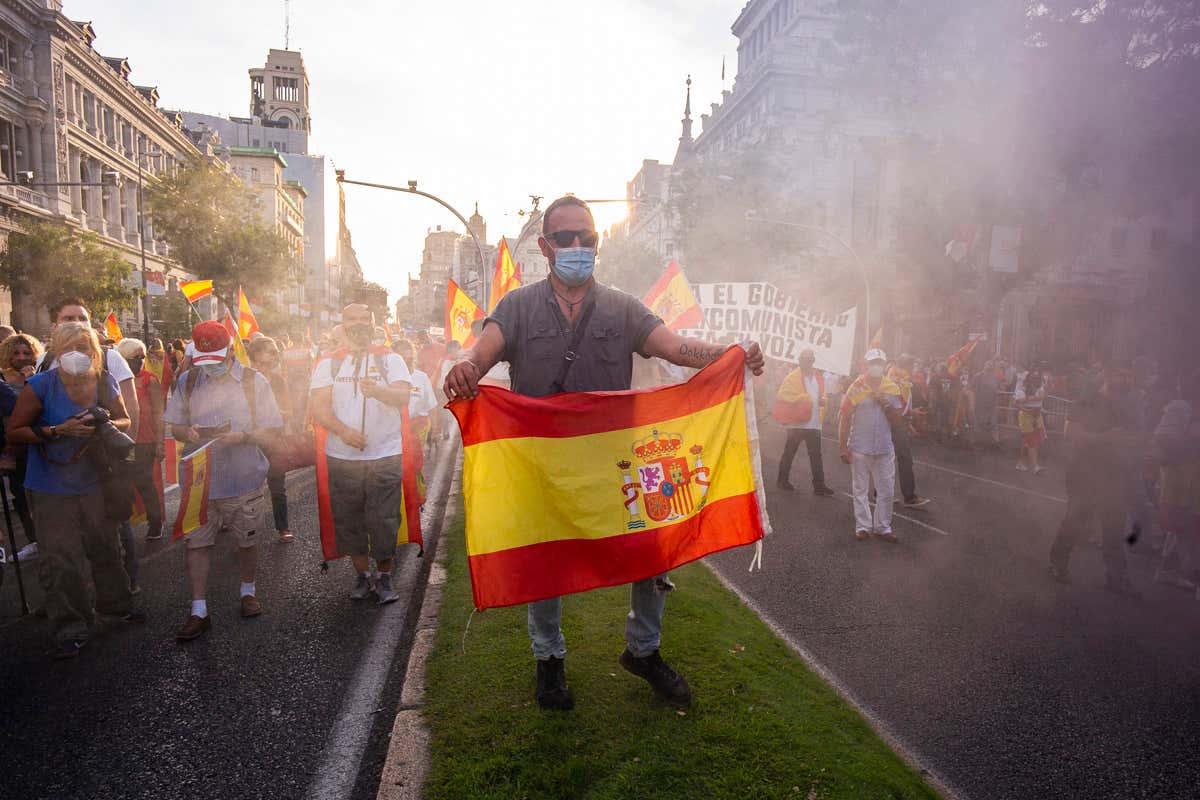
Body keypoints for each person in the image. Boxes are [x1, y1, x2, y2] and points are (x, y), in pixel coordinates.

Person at [443, 195, 765, 711]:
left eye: (587, 239)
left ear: (597, 244)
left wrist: (730, 355)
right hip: (543, 464)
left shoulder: (622, 306)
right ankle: (549, 661)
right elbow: (482, 352)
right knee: (545, 562)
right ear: (546, 247)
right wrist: (464, 366)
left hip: (617, 459)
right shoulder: (518, 306)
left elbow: (677, 348)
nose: (578, 247)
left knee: (651, 553)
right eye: (566, 239)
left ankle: (644, 650)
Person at [6, 323, 144, 658]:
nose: (77, 353)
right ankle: (71, 627)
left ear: (94, 351)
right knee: (61, 559)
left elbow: (124, 420)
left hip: (96, 482)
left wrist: (103, 422)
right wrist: (57, 430)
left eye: (84, 346)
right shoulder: (40, 385)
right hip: (50, 487)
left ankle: (115, 605)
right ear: (56, 350)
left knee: (106, 547)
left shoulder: (102, 380)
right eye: (69, 345)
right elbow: (15, 431)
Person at [164, 321, 283, 641]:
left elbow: (272, 429)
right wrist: (184, 432)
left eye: (216, 359)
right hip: (200, 482)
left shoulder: (253, 382)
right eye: (205, 360)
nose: (211, 367)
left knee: (246, 540)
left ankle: (248, 591)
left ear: (231, 350)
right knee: (197, 544)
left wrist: (242, 436)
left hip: (243, 478)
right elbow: (173, 425)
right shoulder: (187, 380)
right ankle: (198, 610)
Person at [310, 304, 413, 606]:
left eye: (362, 320)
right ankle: (362, 576)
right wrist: (344, 432)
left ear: (372, 323)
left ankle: (384, 576)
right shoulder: (327, 364)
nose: (357, 325)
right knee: (349, 520)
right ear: (341, 326)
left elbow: (403, 396)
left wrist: (378, 391)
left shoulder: (390, 360)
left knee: (383, 519)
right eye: (350, 320)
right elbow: (319, 407)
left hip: (385, 455)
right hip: (342, 457)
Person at [1048, 363, 1143, 596]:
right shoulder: (1086, 401)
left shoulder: (1129, 407)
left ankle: (1116, 577)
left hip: (1115, 473)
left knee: (1114, 526)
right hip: (1084, 471)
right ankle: (1057, 563)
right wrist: (1105, 438)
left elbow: (1135, 438)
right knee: (1076, 519)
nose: (1126, 381)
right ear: (1108, 377)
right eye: (1121, 374)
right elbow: (1072, 433)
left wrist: (1134, 447)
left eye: (1129, 376)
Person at [38, 299, 139, 443]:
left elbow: (131, 411)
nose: (77, 323)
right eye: (69, 319)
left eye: (82, 318)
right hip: (52, 457)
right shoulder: (44, 360)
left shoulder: (111, 358)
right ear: (55, 326)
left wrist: (126, 451)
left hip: (100, 456)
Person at [838, 349, 904, 542]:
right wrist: (843, 446)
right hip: (860, 447)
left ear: (884, 365)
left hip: (884, 448)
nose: (876, 366)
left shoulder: (892, 388)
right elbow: (845, 417)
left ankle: (883, 527)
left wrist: (884, 402)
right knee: (860, 489)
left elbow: (898, 419)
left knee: (887, 490)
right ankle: (863, 526)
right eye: (872, 362)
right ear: (866, 365)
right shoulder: (856, 387)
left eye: (879, 362)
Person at [0, 333, 43, 559]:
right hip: (12, 450)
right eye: (16, 353)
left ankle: (48, 538)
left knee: (40, 496)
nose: (21, 357)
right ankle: (33, 541)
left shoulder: (39, 377)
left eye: (27, 353)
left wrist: (32, 381)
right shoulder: (1, 379)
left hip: (36, 445)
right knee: (20, 497)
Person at [248, 336, 294, 543]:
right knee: (248, 490)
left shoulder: (278, 381)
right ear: (251, 359)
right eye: (258, 363)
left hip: (273, 441)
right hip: (247, 442)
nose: (262, 368)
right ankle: (247, 532)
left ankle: (283, 527)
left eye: (267, 363)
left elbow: (288, 411)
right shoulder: (242, 380)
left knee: (277, 487)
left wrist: (276, 413)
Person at [772, 348, 834, 496]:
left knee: (816, 456)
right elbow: (783, 395)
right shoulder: (792, 377)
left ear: (813, 361)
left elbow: (822, 394)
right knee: (789, 452)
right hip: (797, 423)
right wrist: (801, 398)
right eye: (804, 359)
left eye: (809, 359)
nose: (806, 362)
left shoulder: (818, 377)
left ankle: (819, 485)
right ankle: (782, 480)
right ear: (800, 361)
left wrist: (823, 401)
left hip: (814, 423)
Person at [886, 355, 930, 508]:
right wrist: (907, 416)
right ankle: (909, 497)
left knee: (888, 460)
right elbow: (893, 406)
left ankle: (882, 494)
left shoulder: (897, 378)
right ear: (907, 366)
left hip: (898, 423)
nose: (914, 369)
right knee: (903, 459)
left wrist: (911, 412)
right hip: (896, 424)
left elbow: (900, 406)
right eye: (913, 366)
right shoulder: (900, 380)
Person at [1015, 369, 1047, 474]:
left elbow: (1042, 396)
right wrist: (1028, 410)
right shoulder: (1021, 388)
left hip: (1037, 417)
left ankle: (1020, 463)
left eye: (1037, 378)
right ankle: (1035, 467)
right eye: (1033, 378)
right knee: (1032, 442)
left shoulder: (1039, 387)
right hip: (1026, 416)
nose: (1036, 379)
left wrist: (1028, 398)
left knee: (1031, 441)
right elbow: (1017, 403)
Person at [973, 360, 1002, 449]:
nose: (989, 368)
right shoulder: (978, 376)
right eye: (988, 366)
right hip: (980, 404)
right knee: (979, 423)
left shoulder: (994, 377)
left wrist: (997, 404)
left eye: (991, 366)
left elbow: (998, 390)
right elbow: (971, 387)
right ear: (984, 367)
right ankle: (977, 443)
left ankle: (997, 443)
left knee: (994, 424)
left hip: (992, 405)